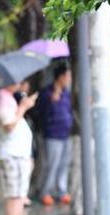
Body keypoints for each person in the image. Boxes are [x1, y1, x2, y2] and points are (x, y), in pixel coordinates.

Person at [0, 84, 39, 215]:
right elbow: (9, 125)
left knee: (19, 192)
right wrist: (23, 107)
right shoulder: (2, 99)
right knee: (14, 193)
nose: (19, 84)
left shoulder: (6, 98)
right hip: (12, 154)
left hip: (17, 153)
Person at [37, 63, 73, 206]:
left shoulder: (66, 94)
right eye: (68, 76)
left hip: (65, 133)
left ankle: (61, 191)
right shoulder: (47, 93)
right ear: (61, 77)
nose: (69, 79)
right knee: (52, 164)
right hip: (52, 134)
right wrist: (50, 101)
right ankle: (46, 192)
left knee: (64, 164)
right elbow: (40, 112)